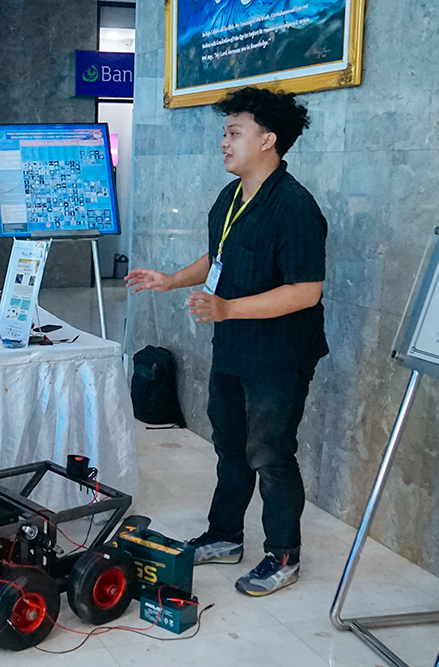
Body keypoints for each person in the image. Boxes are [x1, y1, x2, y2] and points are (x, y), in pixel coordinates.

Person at [126, 86, 328, 597]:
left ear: (268, 140)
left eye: (235, 132)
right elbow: (218, 257)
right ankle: (224, 536)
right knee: (230, 447)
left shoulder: (295, 207)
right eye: (225, 132)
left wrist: (228, 308)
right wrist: (171, 280)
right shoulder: (231, 196)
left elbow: (306, 291)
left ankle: (284, 555)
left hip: (279, 356)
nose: (225, 142)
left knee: (270, 453)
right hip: (233, 347)